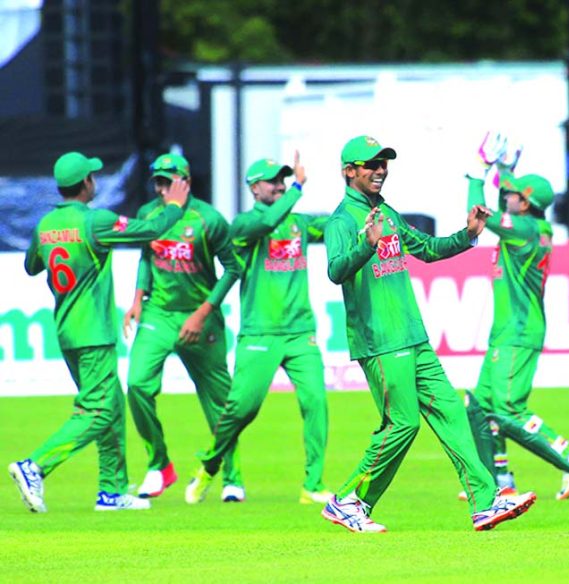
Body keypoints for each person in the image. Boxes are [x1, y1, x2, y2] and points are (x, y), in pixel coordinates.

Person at [320, 135, 536, 533]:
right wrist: (366, 246)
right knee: (402, 424)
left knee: (451, 412)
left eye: (384, 163)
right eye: (372, 164)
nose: (381, 170)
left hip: (412, 337)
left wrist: (468, 234)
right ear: (349, 171)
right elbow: (335, 270)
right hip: (381, 341)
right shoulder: (342, 221)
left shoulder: (386, 213)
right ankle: (347, 499)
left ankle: (484, 503)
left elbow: (427, 248)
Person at [9, 151, 188, 512]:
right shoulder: (95, 221)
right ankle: (35, 466)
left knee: (111, 406)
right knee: (98, 410)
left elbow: (31, 266)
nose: (96, 181)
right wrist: (175, 206)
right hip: (94, 331)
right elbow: (151, 231)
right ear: (86, 183)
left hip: (67, 331)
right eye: (93, 176)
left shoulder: (46, 225)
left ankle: (112, 490)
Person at [185, 152, 332, 505]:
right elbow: (266, 224)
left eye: (284, 179)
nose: (280, 185)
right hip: (259, 333)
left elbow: (333, 225)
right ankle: (209, 463)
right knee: (242, 409)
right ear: (254, 188)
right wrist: (298, 186)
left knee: (316, 402)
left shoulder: (298, 222)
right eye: (273, 181)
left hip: (300, 332)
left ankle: (312, 485)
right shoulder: (243, 226)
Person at [461, 132, 569, 502]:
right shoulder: (531, 223)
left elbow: (477, 213)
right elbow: (507, 188)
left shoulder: (522, 230)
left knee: (506, 408)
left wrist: (477, 171)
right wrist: (506, 166)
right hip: (508, 330)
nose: (508, 194)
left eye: (515, 195)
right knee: (479, 405)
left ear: (526, 205)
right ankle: (501, 481)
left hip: (517, 332)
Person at [123, 153, 244, 502]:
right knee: (137, 385)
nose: (161, 189)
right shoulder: (149, 214)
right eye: (157, 182)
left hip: (200, 318)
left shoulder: (208, 219)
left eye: (168, 181)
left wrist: (203, 312)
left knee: (220, 403)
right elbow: (147, 256)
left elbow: (232, 269)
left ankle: (232, 477)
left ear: (185, 181)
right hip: (159, 314)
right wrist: (137, 298)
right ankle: (159, 464)